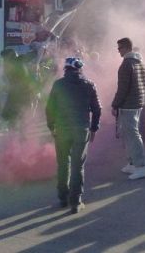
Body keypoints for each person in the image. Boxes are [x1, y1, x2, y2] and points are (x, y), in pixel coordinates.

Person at [45, 57, 101, 214]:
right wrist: (94, 128)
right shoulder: (89, 84)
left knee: (63, 163)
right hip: (81, 129)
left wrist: (52, 127)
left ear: (66, 69)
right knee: (78, 165)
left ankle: (63, 198)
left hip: (62, 129)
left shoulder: (58, 84)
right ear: (79, 69)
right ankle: (76, 202)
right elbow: (97, 109)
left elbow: (49, 108)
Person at [112, 37, 145, 180]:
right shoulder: (141, 63)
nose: (118, 51)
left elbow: (122, 88)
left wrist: (115, 104)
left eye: (120, 48)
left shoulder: (126, 64)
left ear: (127, 48)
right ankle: (133, 163)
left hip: (128, 105)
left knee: (133, 135)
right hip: (137, 103)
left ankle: (141, 166)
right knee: (129, 134)